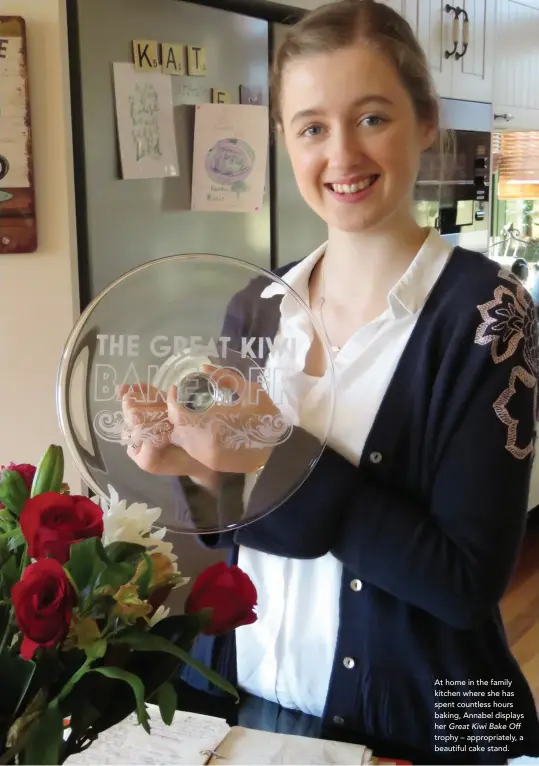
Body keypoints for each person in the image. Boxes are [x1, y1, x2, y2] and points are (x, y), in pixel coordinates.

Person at [121, 0, 539, 763]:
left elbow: (461, 584)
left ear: (424, 122)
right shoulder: (256, 304)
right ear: (285, 141)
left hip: (416, 727)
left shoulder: (488, 316)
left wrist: (277, 452)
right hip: (248, 710)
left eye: (371, 117)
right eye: (311, 126)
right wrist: (192, 468)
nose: (340, 154)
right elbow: (237, 518)